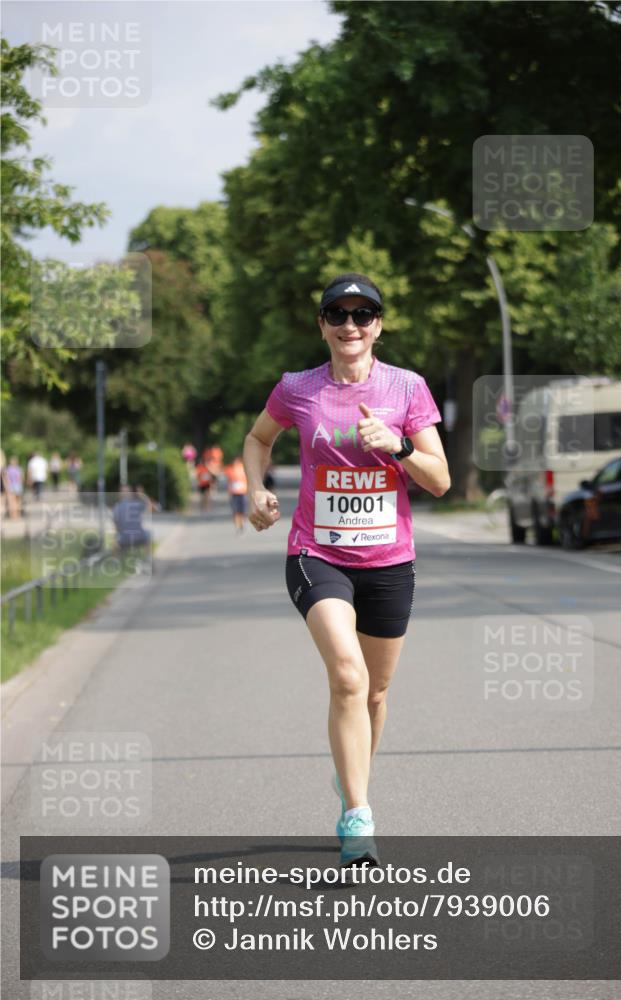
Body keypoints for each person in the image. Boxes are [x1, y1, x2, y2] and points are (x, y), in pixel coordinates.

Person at [243, 272, 450, 865]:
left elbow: (440, 481)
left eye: (363, 316)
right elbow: (258, 439)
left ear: (378, 326)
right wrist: (256, 489)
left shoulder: (407, 389)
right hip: (318, 553)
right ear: (323, 326)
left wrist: (399, 446)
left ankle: (350, 780)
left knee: (377, 694)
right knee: (349, 678)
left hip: (389, 560)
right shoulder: (298, 388)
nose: (351, 326)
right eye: (339, 315)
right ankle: (358, 817)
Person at [223, 455, 248, 534]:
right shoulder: (229, 469)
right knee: (235, 511)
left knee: (242, 511)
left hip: (242, 492)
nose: (235, 463)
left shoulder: (244, 468)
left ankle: (242, 524)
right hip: (233, 493)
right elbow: (228, 481)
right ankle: (237, 527)